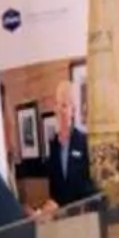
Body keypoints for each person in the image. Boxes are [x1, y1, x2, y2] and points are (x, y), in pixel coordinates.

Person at [43, 78, 91, 207]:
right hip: (61, 220)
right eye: (57, 104)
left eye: (64, 105)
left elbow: (91, 186)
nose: (59, 109)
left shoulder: (84, 142)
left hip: (83, 216)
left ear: (73, 110)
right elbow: (53, 190)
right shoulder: (53, 146)